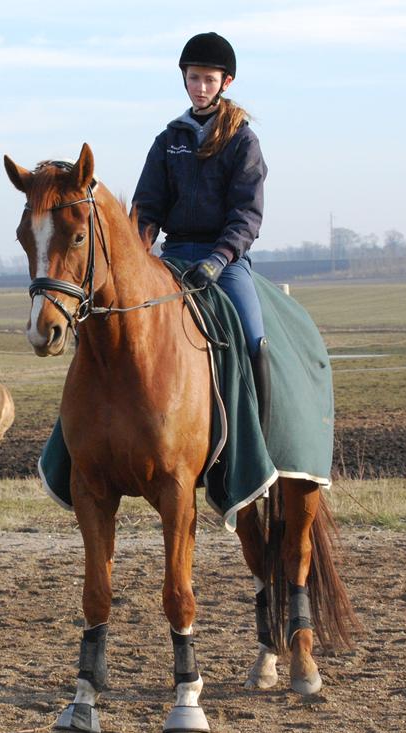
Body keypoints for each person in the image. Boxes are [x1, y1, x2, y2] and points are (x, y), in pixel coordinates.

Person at [133, 31, 272, 437]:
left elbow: (247, 213)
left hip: (224, 261)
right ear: (184, 79)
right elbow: (147, 207)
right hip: (173, 255)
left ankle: (258, 440)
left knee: (252, 337)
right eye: (194, 78)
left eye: (209, 80)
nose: (200, 87)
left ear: (225, 83)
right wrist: (137, 255)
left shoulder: (242, 139)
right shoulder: (167, 140)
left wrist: (218, 259)